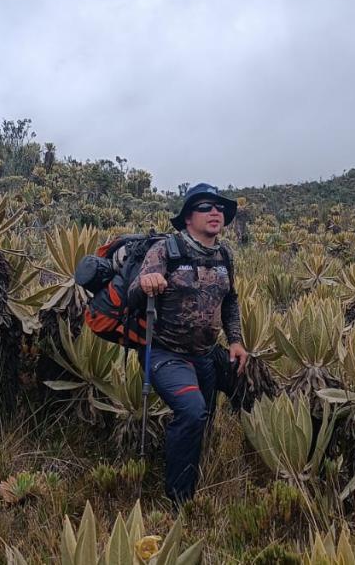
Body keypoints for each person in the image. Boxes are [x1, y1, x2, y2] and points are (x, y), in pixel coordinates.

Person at [130, 183, 249, 504]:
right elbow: (134, 295)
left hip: (206, 354)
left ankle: (193, 471)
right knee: (193, 411)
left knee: (205, 417)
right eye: (206, 207)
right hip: (165, 353)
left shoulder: (224, 255)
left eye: (220, 208)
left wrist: (235, 341)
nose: (216, 213)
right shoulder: (166, 250)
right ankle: (179, 500)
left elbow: (230, 301)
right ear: (187, 218)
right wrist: (146, 283)